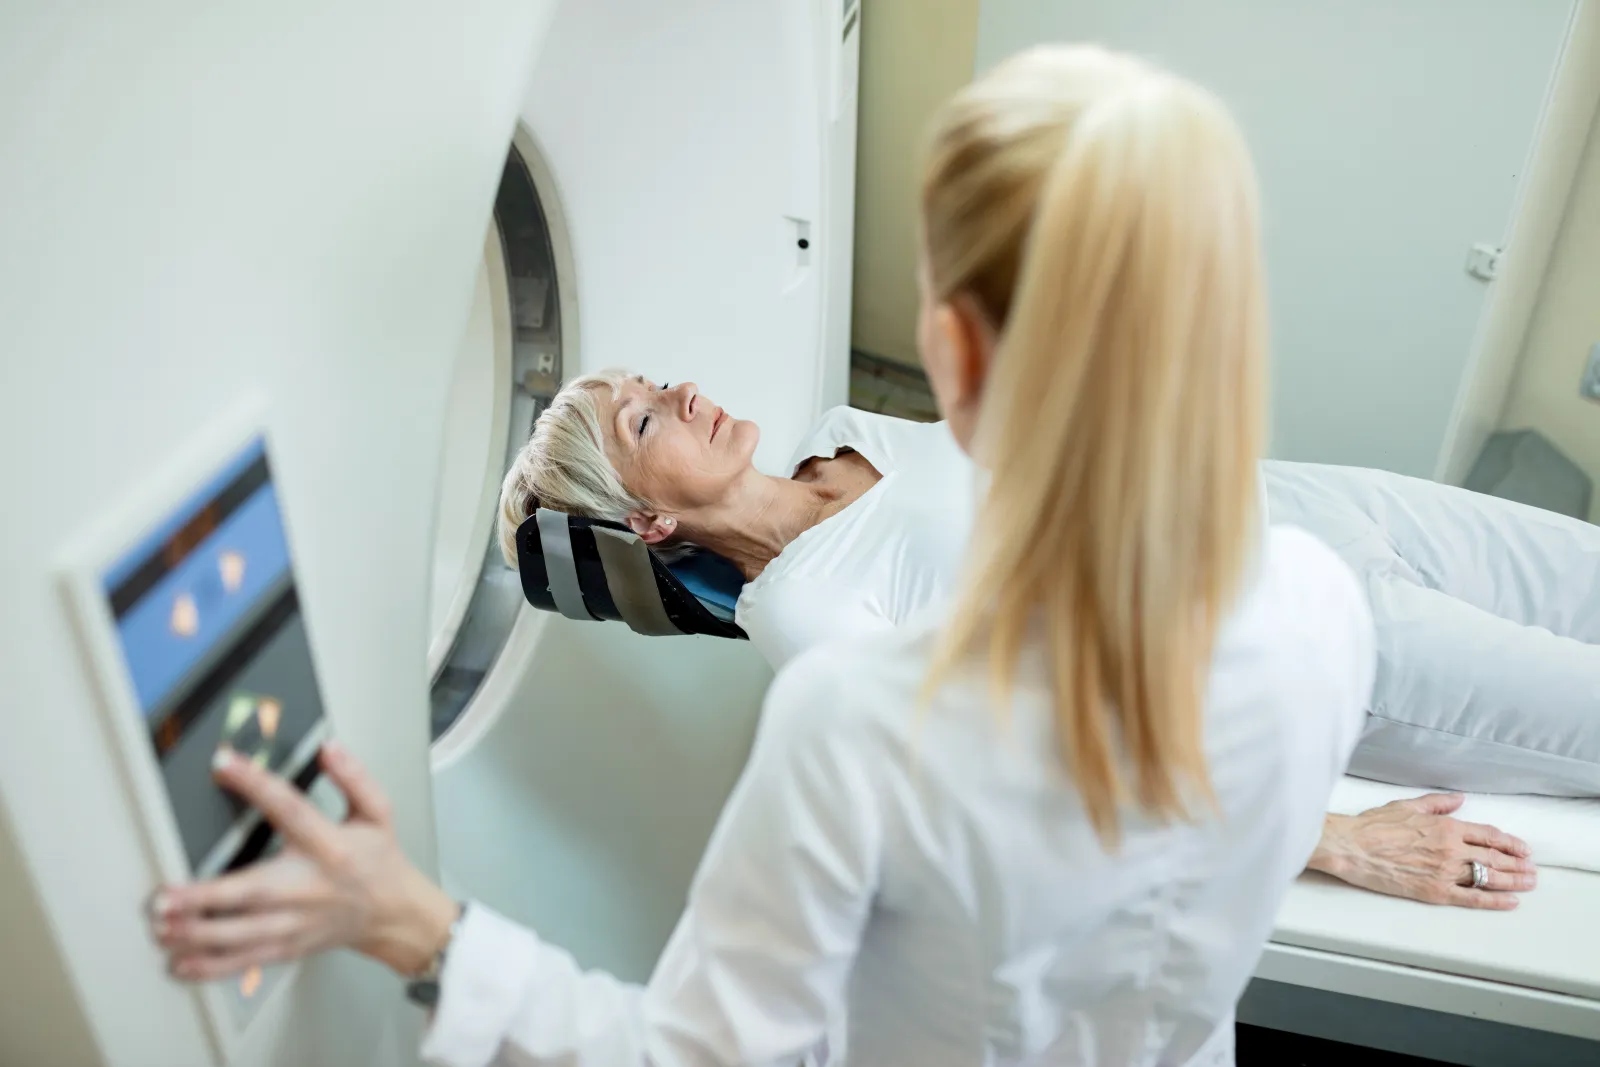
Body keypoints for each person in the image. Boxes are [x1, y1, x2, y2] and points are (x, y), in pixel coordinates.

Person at [157, 44, 1377, 1066]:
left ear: (949, 354)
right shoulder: (1318, 610)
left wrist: (409, 920)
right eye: (642, 413)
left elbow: (692, 1054)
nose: (682, 393)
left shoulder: (862, 726)